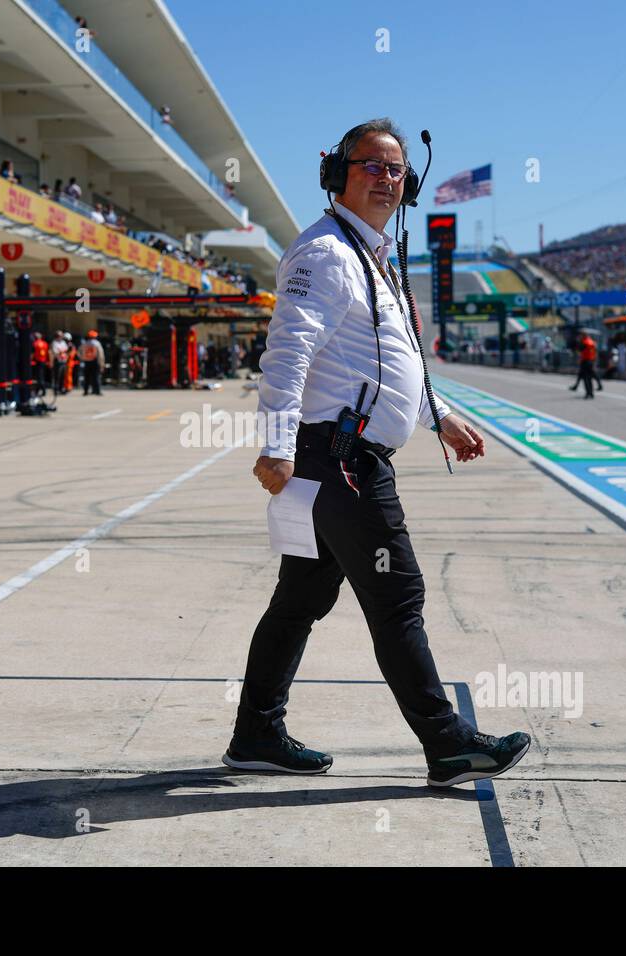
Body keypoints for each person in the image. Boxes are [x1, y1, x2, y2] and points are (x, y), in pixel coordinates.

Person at [231, 118, 530, 787]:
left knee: (299, 600)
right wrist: (275, 447)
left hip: (339, 454)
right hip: (339, 458)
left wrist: (440, 417)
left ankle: (256, 732)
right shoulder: (326, 254)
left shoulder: (369, 257)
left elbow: (387, 366)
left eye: (396, 170)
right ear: (337, 174)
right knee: (399, 596)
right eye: (371, 166)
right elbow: (287, 354)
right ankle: (447, 742)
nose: (386, 179)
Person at [79, 329, 104, 395]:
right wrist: (101, 363)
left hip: (86, 362)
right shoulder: (97, 343)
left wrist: (82, 358)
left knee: (86, 377)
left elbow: (79, 352)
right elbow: (100, 354)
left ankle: (86, 391)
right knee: (96, 377)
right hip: (94, 361)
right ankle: (97, 391)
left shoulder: (84, 343)